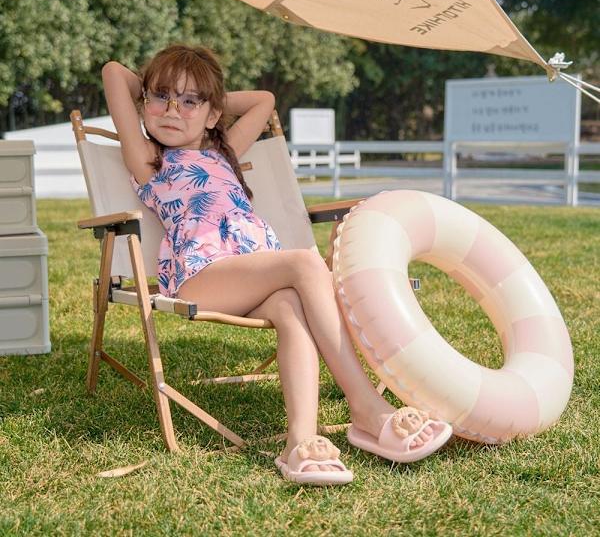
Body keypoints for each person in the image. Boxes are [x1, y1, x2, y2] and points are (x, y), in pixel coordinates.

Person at [102, 44, 452, 486]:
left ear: (213, 114)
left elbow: (264, 101)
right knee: (305, 264)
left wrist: (205, 100)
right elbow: (113, 71)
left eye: (189, 101)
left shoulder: (223, 151)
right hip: (201, 276)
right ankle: (366, 407)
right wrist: (170, 91)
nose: (172, 110)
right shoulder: (148, 158)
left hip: (257, 273)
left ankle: (299, 441)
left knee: (291, 305)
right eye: (161, 98)